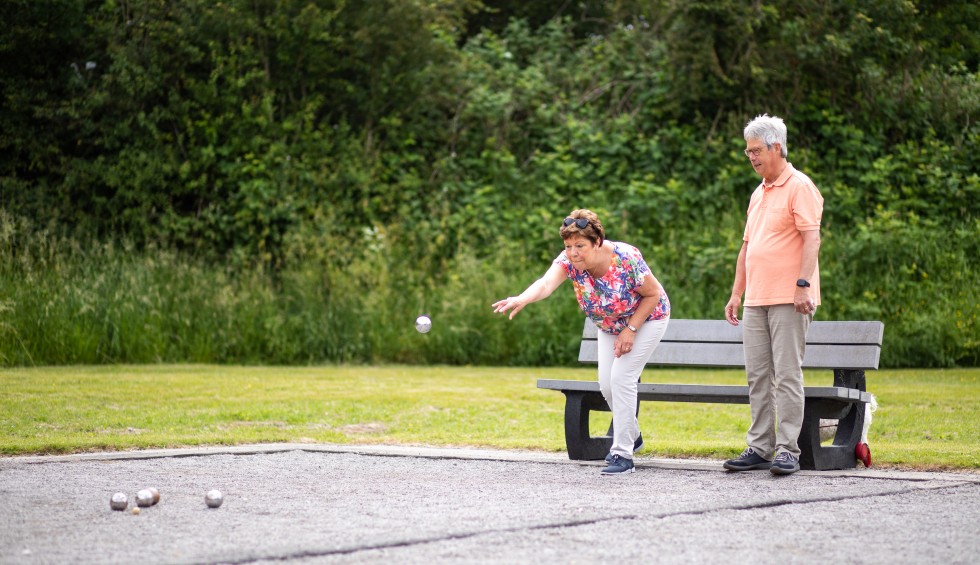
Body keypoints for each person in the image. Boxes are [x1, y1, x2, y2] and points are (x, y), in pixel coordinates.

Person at [493, 209, 670, 475]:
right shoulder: (568, 262)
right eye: (568, 246)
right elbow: (544, 284)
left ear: (597, 242)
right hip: (609, 324)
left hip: (647, 318)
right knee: (607, 385)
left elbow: (653, 294)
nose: (573, 252)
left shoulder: (625, 258)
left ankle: (623, 454)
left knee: (622, 378)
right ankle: (632, 435)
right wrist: (522, 298)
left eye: (580, 246)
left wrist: (631, 330)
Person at [723, 114, 824, 476]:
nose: (750, 157)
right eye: (747, 151)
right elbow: (747, 247)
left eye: (755, 150)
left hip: (788, 297)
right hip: (756, 299)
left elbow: (812, 238)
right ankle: (760, 446)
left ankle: (787, 450)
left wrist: (802, 285)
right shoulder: (758, 192)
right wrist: (737, 294)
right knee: (758, 375)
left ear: (775, 147)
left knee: (786, 374)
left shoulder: (800, 186)